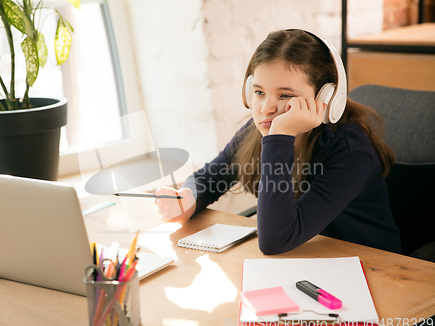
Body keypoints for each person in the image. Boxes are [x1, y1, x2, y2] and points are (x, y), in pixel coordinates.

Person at [154, 29, 402, 254]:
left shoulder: (351, 152)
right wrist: (187, 198)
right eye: (259, 92)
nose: (266, 108)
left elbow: (275, 239)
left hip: (371, 267)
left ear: (326, 98)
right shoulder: (258, 130)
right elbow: (208, 178)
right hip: (306, 257)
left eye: (285, 95)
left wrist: (279, 138)